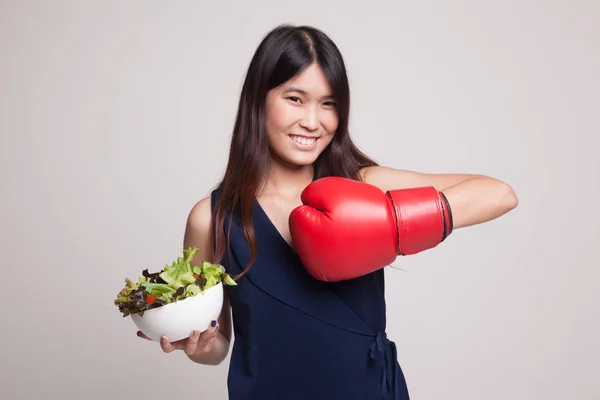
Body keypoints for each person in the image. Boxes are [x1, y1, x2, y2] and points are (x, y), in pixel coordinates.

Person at [136, 24, 518, 399]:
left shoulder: (364, 185)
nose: (313, 121)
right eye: (295, 99)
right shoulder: (213, 218)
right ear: (258, 99)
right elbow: (218, 343)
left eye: (329, 103)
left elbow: (499, 194)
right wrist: (199, 346)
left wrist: (392, 223)